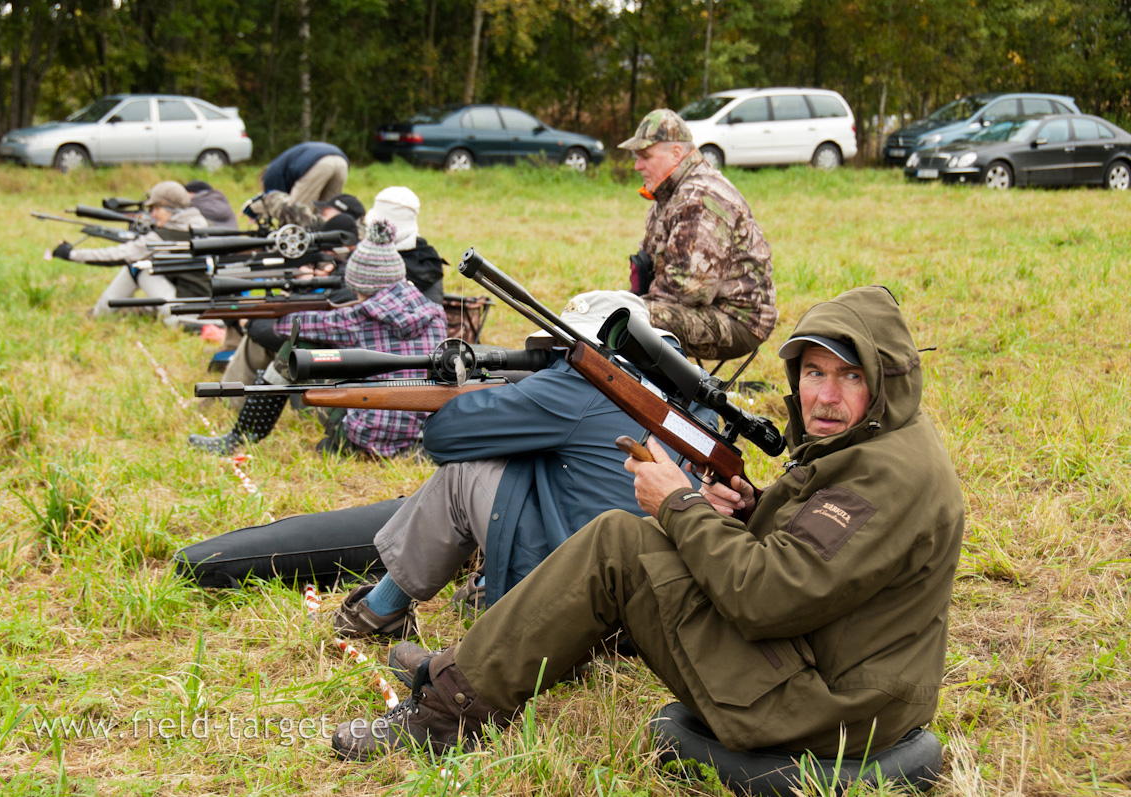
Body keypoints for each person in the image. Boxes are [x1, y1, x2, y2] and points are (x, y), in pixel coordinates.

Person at [328, 285, 965, 765]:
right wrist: (750, 510)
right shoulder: (879, 446)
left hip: (827, 711)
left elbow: (769, 597)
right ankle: (468, 672)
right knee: (634, 538)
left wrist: (678, 504)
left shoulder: (887, 476)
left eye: (850, 376)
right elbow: (822, 559)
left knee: (620, 542)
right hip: (831, 676)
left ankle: (448, 714)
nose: (824, 396)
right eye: (814, 373)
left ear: (884, 380)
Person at [174, 291, 711, 635]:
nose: (555, 363)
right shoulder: (686, 398)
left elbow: (445, 438)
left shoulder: (579, 386)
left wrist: (465, 394)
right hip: (653, 611)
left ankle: (381, 610)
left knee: (464, 478)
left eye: (560, 353)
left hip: (569, 606)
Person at [188, 218, 446, 457]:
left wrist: (285, 305)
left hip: (365, 437)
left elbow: (289, 327)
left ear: (360, 284)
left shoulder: (356, 317)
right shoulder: (434, 312)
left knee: (296, 347)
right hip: (419, 435)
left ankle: (240, 437)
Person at [218, 187, 445, 409]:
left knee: (291, 344)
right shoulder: (425, 265)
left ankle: (236, 411)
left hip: (365, 388)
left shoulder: (365, 299)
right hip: (414, 395)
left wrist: (254, 322)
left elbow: (324, 320)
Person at [620, 109, 777, 362]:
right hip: (700, 308)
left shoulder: (701, 198)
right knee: (608, 311)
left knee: (626, 321)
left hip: (738, 319)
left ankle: (647, 396)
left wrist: (630, 307)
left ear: (676, 154)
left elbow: (691, 290)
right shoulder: (670, 194)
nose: (638, 165)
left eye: (645, 156)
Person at [50, 180, 209, 327]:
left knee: (137, 266)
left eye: (157, 209)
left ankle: (99, 314)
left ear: (169, 208)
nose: (152, 215)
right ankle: (141, 311)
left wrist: (72, 254)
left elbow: (119, 255)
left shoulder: (163, 237)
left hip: (184, 313)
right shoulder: (202, 226)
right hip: (206, 306)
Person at [261, 141, 350, 206]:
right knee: (329, 210)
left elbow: (279, 200)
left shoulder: (269, 175)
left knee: (298, 212)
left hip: (318, 164)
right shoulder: (280, 165)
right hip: (341, 162)